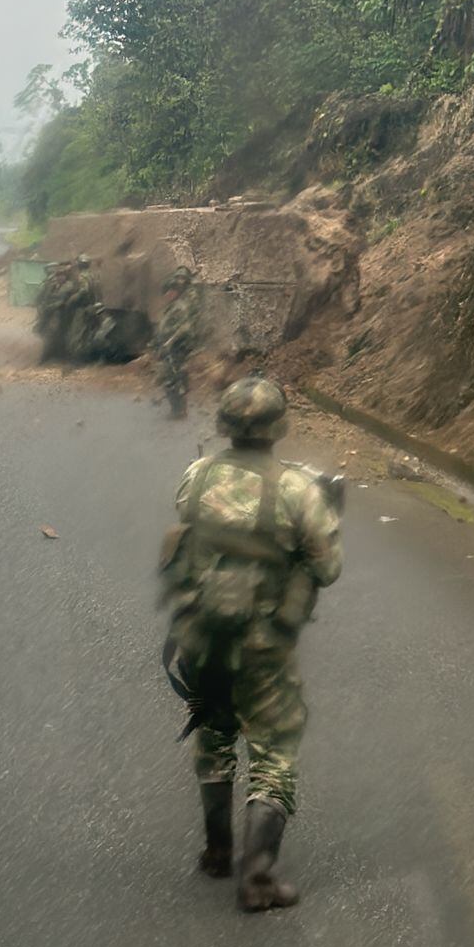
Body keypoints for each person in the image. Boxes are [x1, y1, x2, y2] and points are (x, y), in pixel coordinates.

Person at [159, 376, 343, 912]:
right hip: (263, 643)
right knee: (274, 745)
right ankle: (257, 877)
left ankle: (218, 852)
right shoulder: (298, 491)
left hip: (200, 632)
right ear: (277, 428)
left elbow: (190, 527)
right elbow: (327, 568)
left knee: (213, 733)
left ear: (224, 425)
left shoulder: (196, 475)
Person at [152, 265, 201, 419]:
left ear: (176, 292)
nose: (167, 294)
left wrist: (170, 342)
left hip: (177, 348)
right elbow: (164, 327)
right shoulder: (172, 307)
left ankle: (179, 410)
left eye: (170, 291)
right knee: (171, 379)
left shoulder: (180, 307)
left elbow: (185, 328)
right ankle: (177, 409)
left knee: (173, 379)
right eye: (167, 291)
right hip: (169, 348)